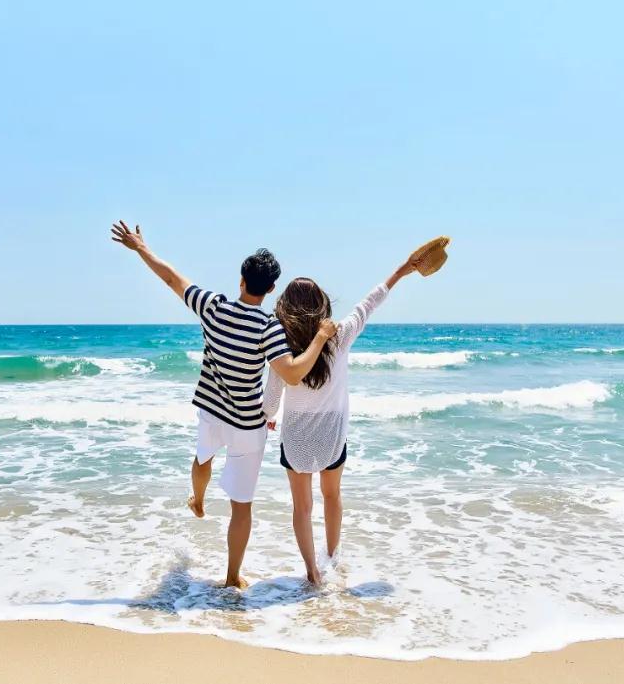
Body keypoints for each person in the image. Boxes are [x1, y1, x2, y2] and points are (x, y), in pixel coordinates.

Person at [110, 221, 336, 588]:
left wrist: (141, 248)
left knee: (203, 458)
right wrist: (321, 337)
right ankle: (232, 578)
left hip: (211, 412)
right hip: (247, 425)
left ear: (241, 281)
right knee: (241, 506)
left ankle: (198, 499)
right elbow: (293, 374)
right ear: (272, 289)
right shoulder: (268, 328)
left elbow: (171, 279)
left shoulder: (213, 307)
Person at [262, 251, 421, 585]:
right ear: (321, 305)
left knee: (302, 507)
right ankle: (332, 558)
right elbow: (369, 303)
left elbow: (272, 399)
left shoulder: (282, 344)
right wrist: (400, 271)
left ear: (285, 308)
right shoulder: (340, 335)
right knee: (332, 496)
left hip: (296, 436)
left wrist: (268, 417)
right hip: (332, 433)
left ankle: (312, 571)